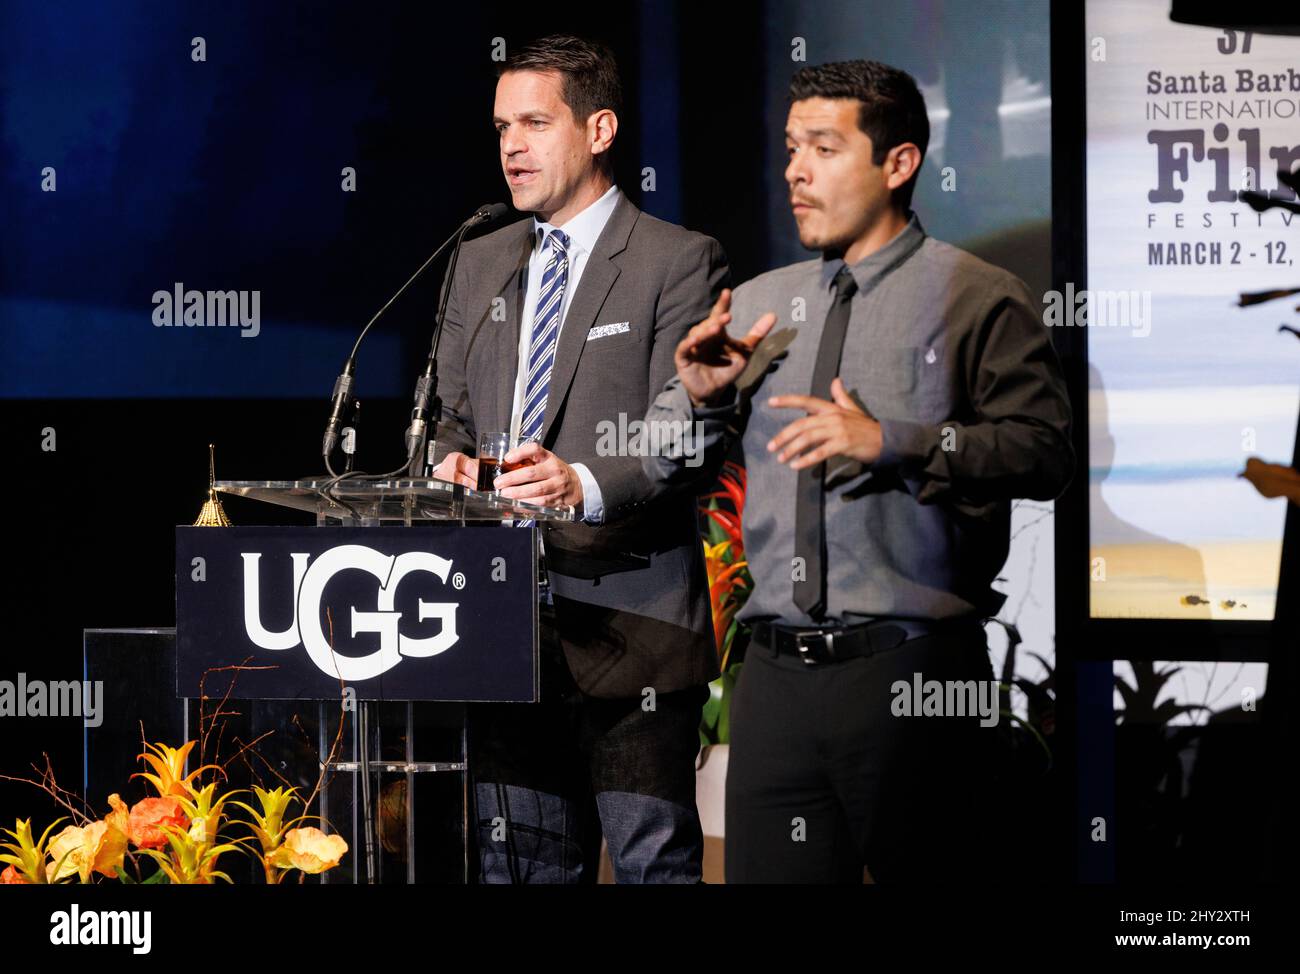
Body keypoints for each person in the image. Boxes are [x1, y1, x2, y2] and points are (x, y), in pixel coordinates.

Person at [642, 59, 1075, 883]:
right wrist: (698, 395)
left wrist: (893, 442)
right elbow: (666, 463)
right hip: (771, 682)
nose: (796, 171)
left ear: (898, 163)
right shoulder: (762, 303)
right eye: (791, 148)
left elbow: (1045, 452)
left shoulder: (978, 295)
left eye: (824, 148)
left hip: (912, 675)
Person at [430, 34, 728, 883]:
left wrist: (581, 485)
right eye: (499, 128)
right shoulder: (479, 257)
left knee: (649, 867)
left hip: (629, 622)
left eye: (534, 122)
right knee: (517, 871)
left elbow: (690, 431)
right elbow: (444, 420)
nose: (511, 146)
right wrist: (446, 467)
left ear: (599, 129)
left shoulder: (678, 259)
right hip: (498, 626)